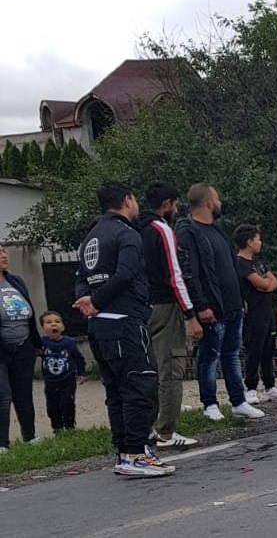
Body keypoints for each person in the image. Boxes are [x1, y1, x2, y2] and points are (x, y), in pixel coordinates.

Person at [74, 181, 173, 476]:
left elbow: (80, 276)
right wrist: (98, 299)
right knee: (140, 385)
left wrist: (90, 301)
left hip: (99, 326)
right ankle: (137, 452)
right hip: (125, 321)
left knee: (116, 391)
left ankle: (123, 453)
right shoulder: (126, 234)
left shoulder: (91, 237)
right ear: (127, 200)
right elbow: (127, 273)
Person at [175, 183, 266, 421]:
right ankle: (209, 403)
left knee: (232, 353)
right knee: (209, 355)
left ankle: (238, 401)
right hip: (211, 306)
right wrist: (200, 305)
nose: (220, 202)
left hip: (232, 303)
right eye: (216, 197)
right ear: (207, 202)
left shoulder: (217, 229)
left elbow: (230, 264)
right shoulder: (189, 231)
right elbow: (190, 271)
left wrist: (240, 296)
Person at [136, 181, 203, 449]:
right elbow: (175, 276)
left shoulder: (133, 228)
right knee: (171, 368)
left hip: (141, 307)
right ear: (166, 204)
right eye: (174, 204)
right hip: (164, 305)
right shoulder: (161, 229)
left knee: (147, 368)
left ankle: (146, 425)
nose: (176, 209)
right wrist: (190, 313)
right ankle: (166, 430)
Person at [234, 224, 277, 404]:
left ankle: (270, 386)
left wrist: (267, 284)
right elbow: (263, 283)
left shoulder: (257, 262)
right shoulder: (241, 263)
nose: (260, 242)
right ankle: (250, 387)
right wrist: (267, 284)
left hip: (266, 312)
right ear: (250, 242)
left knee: (268, 349)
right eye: (258, 239)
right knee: (254, 349)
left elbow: (273, 281)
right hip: (253, 314)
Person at [0, 244, 42, 453]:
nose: (3, 256)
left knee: (24, 393)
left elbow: (30, 313)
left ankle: (30, 436)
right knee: (3, 394)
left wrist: (36, 344)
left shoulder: (15, 281)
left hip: (24, 346)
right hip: (1, 350)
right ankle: (2, 443)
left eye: (3, 251)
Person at [37, 311, 85, 433]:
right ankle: (57, 428)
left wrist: (81, 373)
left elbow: (79, 358)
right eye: (49, 322)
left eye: (57, 322)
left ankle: (70, 427)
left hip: (68, 380)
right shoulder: (42, 343)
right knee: (52, 406)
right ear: (43, 328)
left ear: (62, 327)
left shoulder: (69, 342)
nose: (54, 324)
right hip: (50, 381)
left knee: (67, 403)